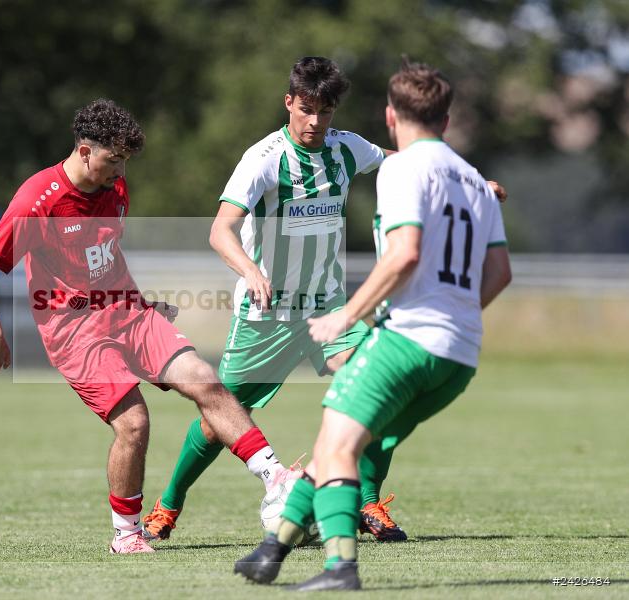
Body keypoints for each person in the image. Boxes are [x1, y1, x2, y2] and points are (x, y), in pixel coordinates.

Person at [143, 56, 506, 544]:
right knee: (220, 419)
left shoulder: (346, 148)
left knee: (381, 389)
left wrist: (476, 186)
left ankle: (370, 501)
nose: (315, 121)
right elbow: (220, 229)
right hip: (267, 314)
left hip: (330, 307)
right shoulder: (264, 158)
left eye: (326, 111)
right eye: (307, 108)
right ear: (290, 101)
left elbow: (412, 160)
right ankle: (167, 506)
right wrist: (250, 270)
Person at [234, 58, 513, 591]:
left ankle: (340, 568)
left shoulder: (402, 168)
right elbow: (500, 273)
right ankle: (273, 550)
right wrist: (454, 317)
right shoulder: (476, 182)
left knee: (335, 447)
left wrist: (347, 313)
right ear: (447, 122)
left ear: (390, 116)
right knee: (341, 444)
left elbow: (403, 254)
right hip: (460, 355)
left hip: (407, 341)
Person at [0, 99, 295, 555]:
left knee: (204, 379)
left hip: (127, 312)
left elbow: (104, 260)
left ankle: (276, 478)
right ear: (85, 151)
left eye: (125, 161)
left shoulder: (115, 189)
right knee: (135, 423)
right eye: (113, 160)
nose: (121, 172)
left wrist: (143, 304)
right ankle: (126, 533)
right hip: (74, 332)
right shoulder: (38, 199)